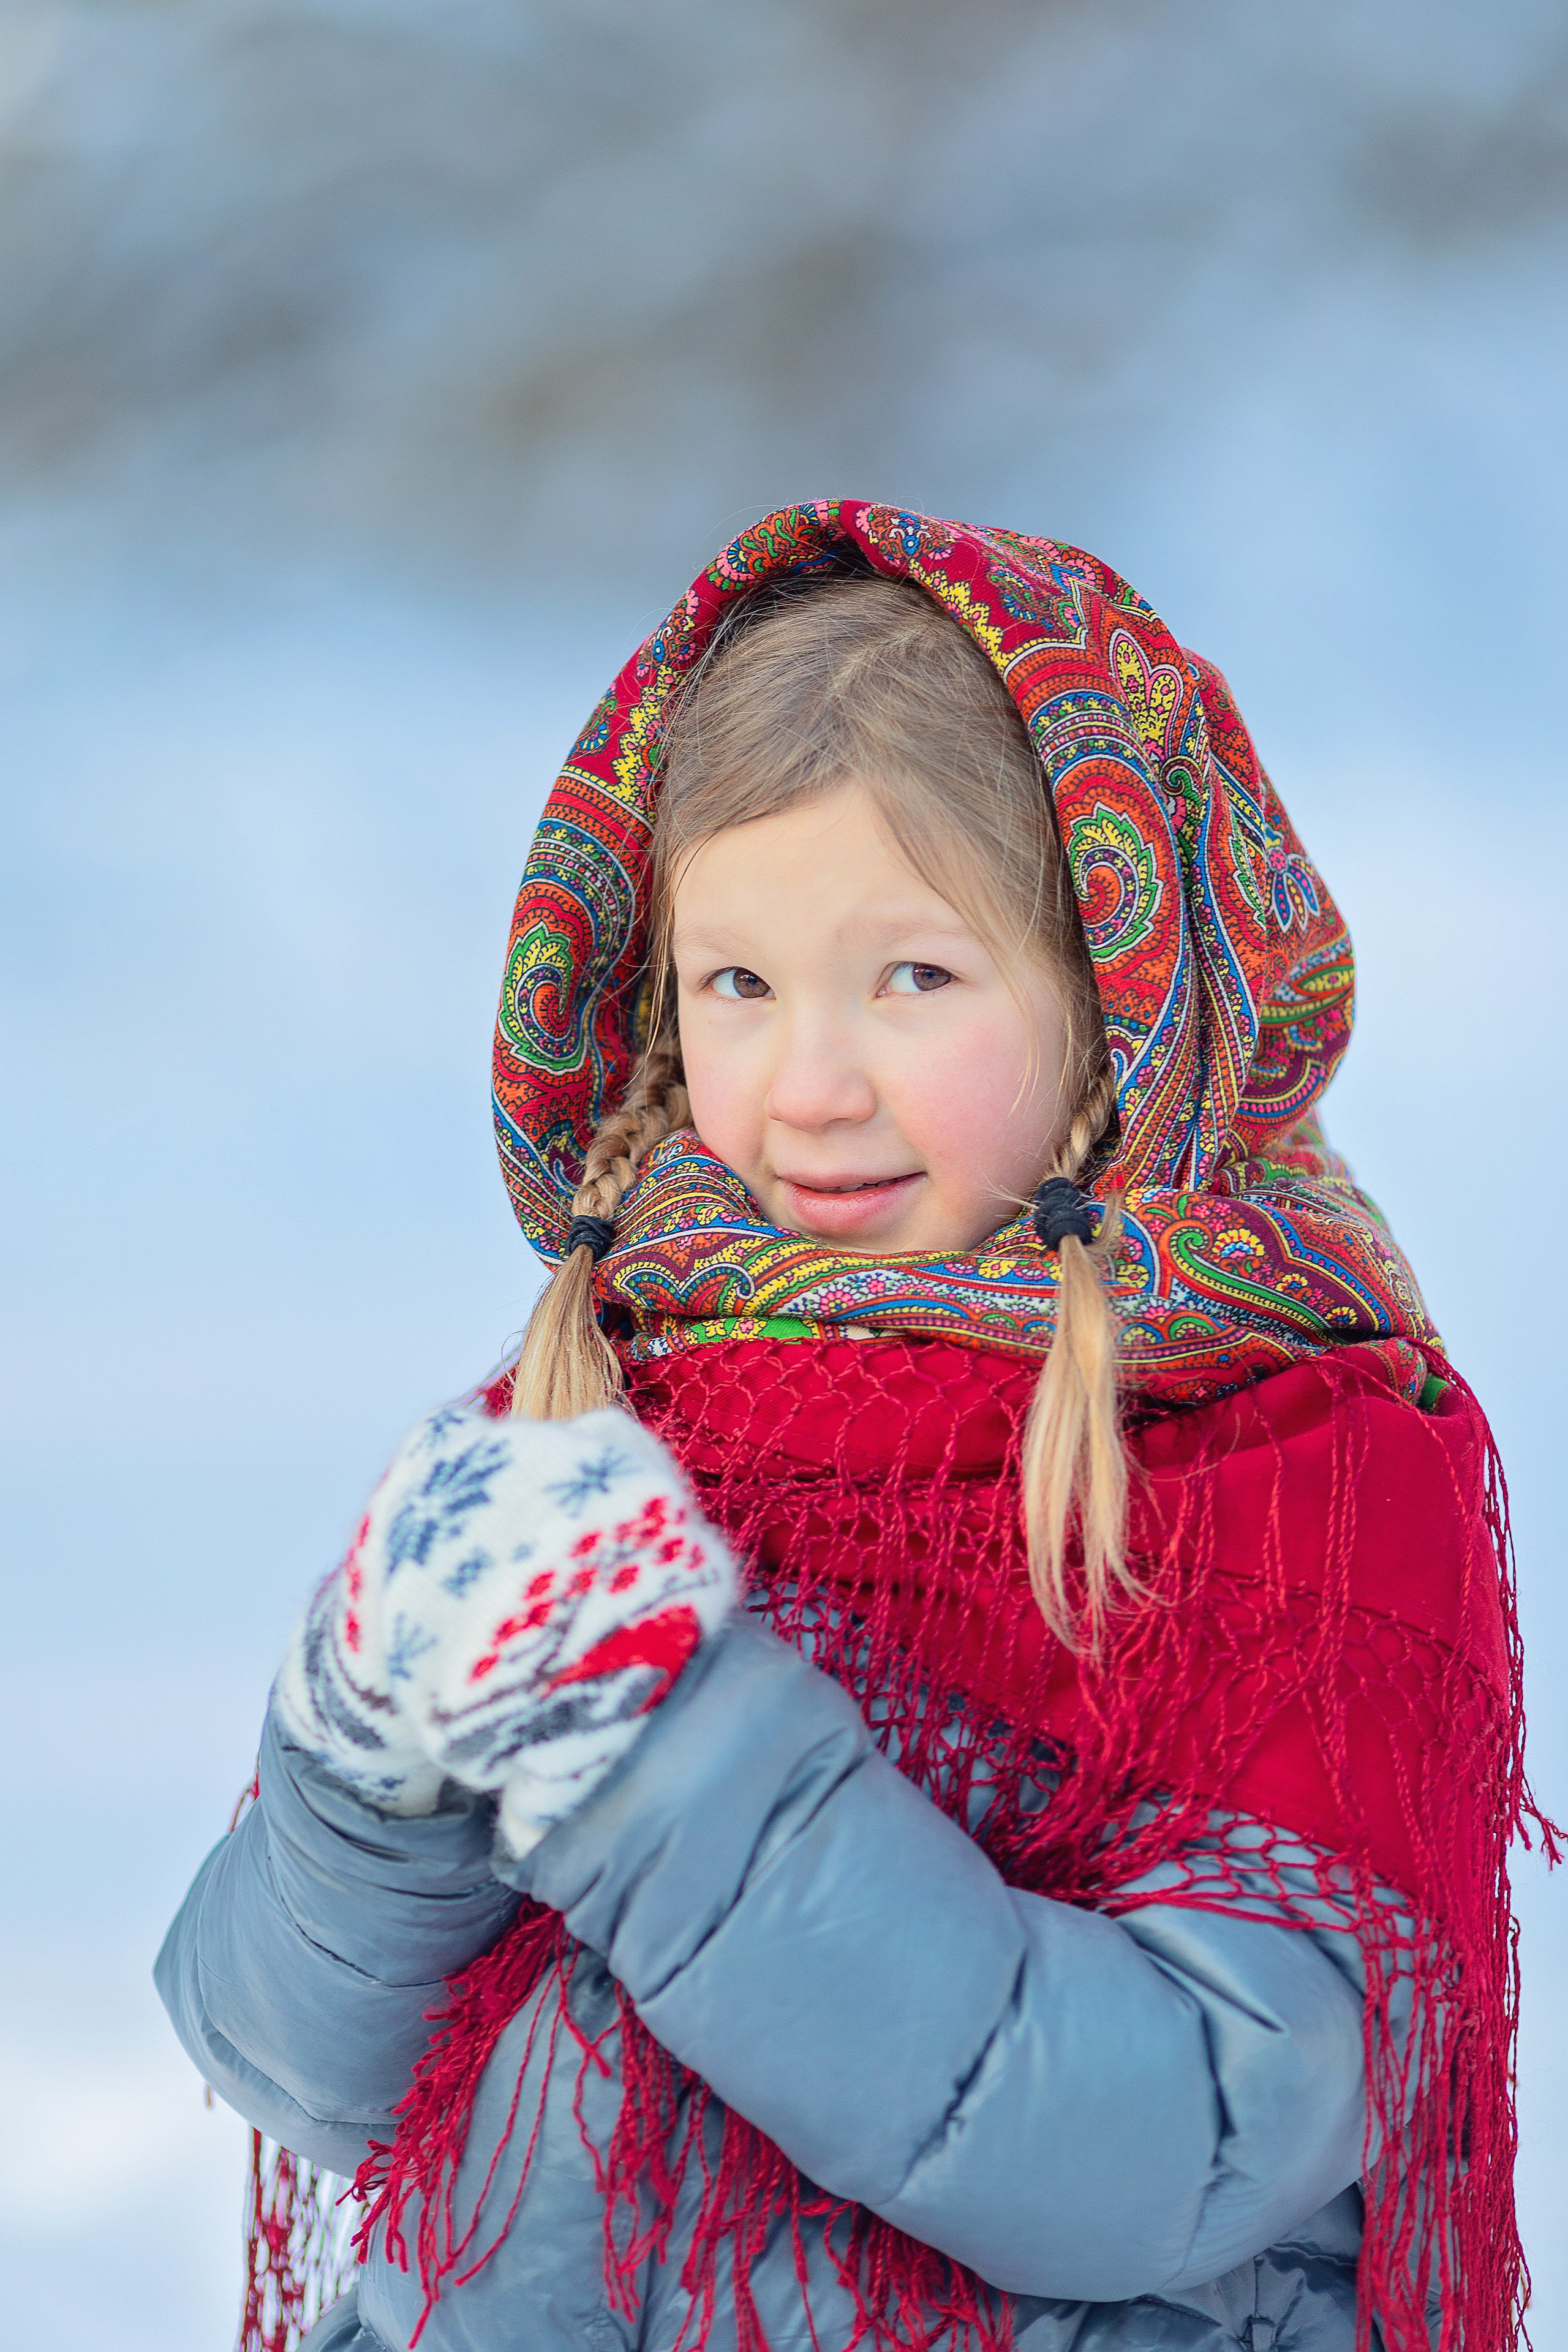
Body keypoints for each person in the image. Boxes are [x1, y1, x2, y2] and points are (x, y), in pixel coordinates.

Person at [157, 503, 1536, 2352]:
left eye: (917, 977)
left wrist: (657, 1758)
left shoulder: (1285, 1470)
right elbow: (317, 2078)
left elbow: (1181, 2139)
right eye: (739, 984)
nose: (808, 1086)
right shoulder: (625, 1385)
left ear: (1118, 998)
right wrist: (361, 1752)